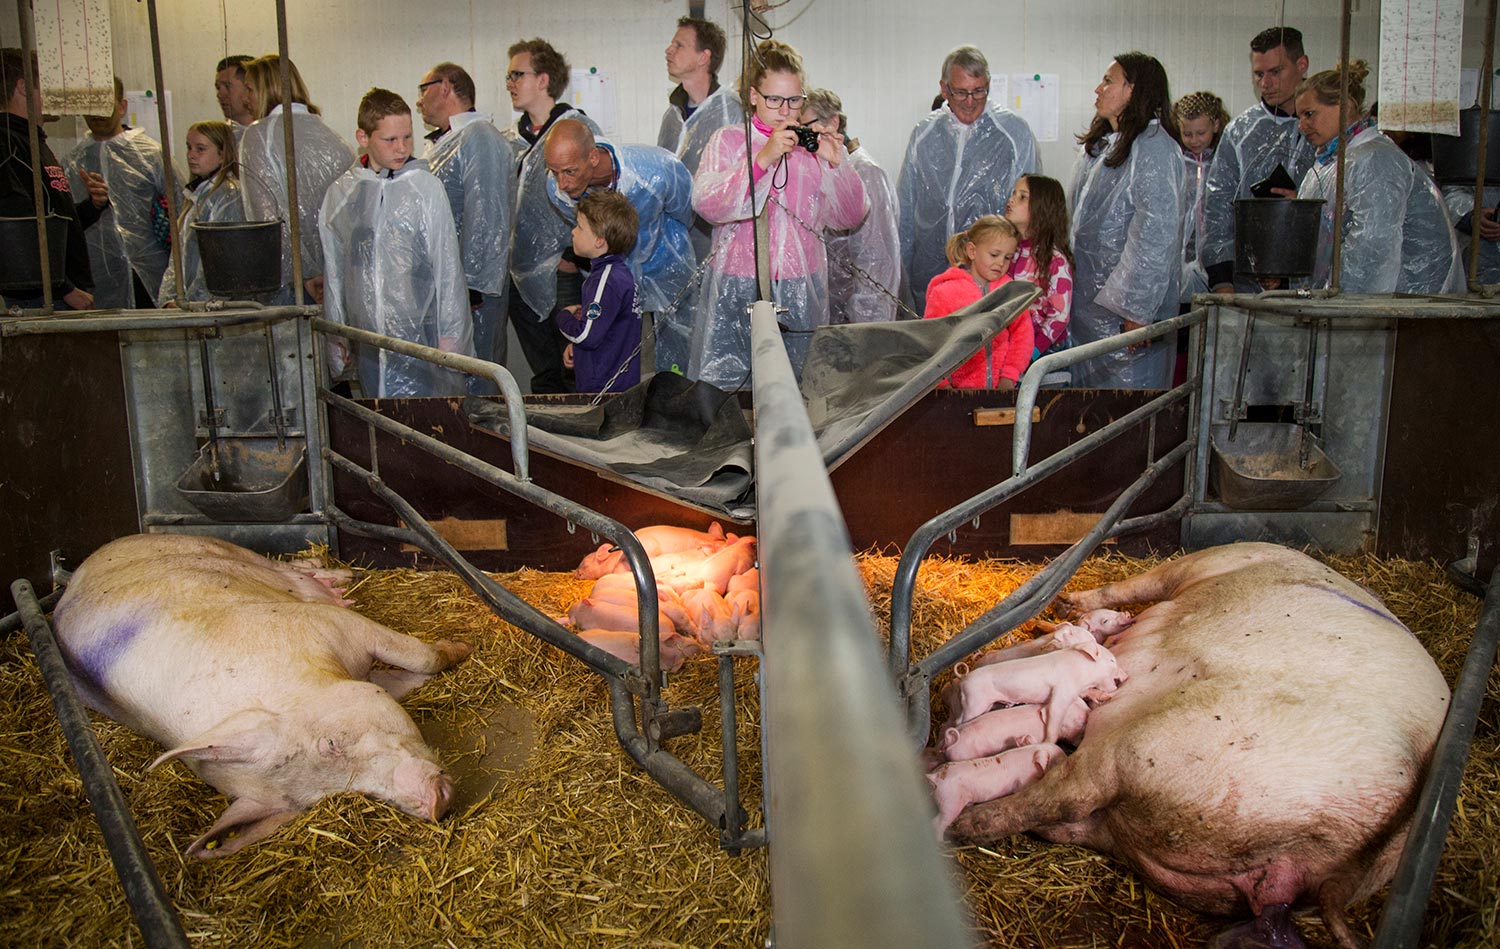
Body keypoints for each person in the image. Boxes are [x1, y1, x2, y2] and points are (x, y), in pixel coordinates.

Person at [690, 39, 868, 386]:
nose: (785, 111)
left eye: (794, 100)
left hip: (801, 284)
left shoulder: (811, 149)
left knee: (798, 384)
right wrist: (762, 160)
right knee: (729, 383)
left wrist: (838, 165)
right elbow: (707, 204)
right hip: (737, 283)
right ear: (753, 95)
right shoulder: (728, 141)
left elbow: (849, 217)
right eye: (774, 99)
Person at [319, 88, 470, 398]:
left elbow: (447, 267)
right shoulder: (343, 193)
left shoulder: (425, 188)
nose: (401, 148)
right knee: (381, 415)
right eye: (390, 140)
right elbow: (334, 271)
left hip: (418, 327)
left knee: (423, 415)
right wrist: (337, 336)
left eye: (407, 137)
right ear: (363, 137)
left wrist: (451, 337)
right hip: (367, 335)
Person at [1293, 62, 1463, 295]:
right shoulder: (1332, 163)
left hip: (1411, 300)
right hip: (1370, 301)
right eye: (1299, 117)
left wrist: (1337, 296)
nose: (1302, 126)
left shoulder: (1374, 159)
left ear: (1345, 106)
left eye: (1309, 114)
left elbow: (1372, 245)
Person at [543, 118, 695, 377]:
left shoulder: (654, 172)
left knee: (677, 357)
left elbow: (685, 213)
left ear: (593, 157)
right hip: (612, 276)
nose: (562, 184)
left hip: (668, 266)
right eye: (554, 172)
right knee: (621, 356)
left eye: (569, 171)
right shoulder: (557, 189)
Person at [1069, 52, 1185, 390]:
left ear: (1134, 90)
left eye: (1108, 81)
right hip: (1090, 310)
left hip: (1125, 320)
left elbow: (1155, 235)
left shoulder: (1153, 148)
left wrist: (1137, 310)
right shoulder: (1103, 146)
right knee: (1086, 412)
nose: (1097, 89)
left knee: (1126, 409)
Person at [897, 45, 1040, 314]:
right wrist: (902, 269)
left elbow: (1031, 209)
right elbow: (906, 206)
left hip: (990, 273)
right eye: (961, 92)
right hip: (929, 268)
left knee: (984, 344)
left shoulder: (1013, 134)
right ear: (944, 88)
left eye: (979, 91)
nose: (970, 100)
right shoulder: (924, 133)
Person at [502, 37, 597, 394]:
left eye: (517, 74)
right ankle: (546, 449)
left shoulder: (577, 131)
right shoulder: (514, 141)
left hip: (564, 275)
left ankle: (578, 448)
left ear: (543, 80)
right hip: (520, 278)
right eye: (508, 76)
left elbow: (598, 200)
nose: (510, 83)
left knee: (573, 367)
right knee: (544, 374)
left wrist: (571, 256)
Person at [417, 61, 517, 395]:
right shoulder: (445, 143)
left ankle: (485, 446)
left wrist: (472, 284)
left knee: (479, 375)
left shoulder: (478, 137)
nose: (418, 101)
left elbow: (488, 217)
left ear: (445, 87)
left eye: (423, 90)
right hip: (449, 286)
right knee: (454, 377)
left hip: (474, 292)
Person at [1201, 27, 1316, 294]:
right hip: (1246, 288)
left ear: (1302, 65)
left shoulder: (1326, 130)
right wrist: (1221, 281)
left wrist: (1303, 208)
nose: (1265, 83)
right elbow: (1218, 206)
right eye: (1258, 74)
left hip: (1311, 286)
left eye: (1275, 72)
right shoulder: (1240, 132)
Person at [240, 54, 355, 305]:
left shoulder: (259, 137)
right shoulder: (334, 139)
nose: (244, 98)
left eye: (249, 89)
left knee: (292, 342)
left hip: (292, 281)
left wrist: (303, 271)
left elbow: (267, 218)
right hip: (337, 275)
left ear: (266, 88)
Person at [64, 76, 174, 308]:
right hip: (96, 283)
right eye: (89, 104)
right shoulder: (72, 163)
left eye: (104, 102)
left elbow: (182, 212)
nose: (97, 112)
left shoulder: (151, 155)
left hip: (151, 276)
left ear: (122, 106)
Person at [1, 46, 97, 310]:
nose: (57, 93)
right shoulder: (7, 142)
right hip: (43, 295)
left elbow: (52, 219)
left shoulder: (32, 141)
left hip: (58, 289)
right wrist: (63, 288)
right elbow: (16, 223)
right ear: (22, 87)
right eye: (49, 84)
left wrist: (92, 207)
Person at [801, 88, 900, 324]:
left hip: (855, 321)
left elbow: (876, 262)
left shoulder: (865, 172)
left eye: (806, 126)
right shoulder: (819, 168)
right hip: (831, 314)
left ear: (834, 121)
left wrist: (866, 330)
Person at [922, 215, 1033, 390]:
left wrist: (1009, 377)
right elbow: (931, 342)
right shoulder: (945, 292)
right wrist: (942, 384)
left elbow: (1023, 337)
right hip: (954, 394)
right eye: (994, 254)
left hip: (1000, 392)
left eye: (1008, 257)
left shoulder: (1011, 293)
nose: (1000, 263)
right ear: (972, 251)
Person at [556, 190, 641, 394]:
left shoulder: (605, 280)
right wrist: (577, 348)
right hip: (616, 381)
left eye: (579, 227)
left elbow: (586, 335)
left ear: (599, 241)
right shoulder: (619, 273)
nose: (573, 232)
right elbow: (603, 329)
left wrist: (563, 316)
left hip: (602, 385)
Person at [159, 120, 245, 303]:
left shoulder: (229, 196)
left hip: (214, 309)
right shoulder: (196, 196)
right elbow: (178, 259)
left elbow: (220, 263)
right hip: (190, 307)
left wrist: (194, 305)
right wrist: (169, 300)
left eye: (200, 149)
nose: (191, 155)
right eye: (189, 148)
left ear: (222, 154)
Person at [1003, 174, 1073, 359]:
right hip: (1013, 347)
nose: (1011, 200)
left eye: (1022, 196)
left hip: (1044, 350)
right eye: (1013, 193)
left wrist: (1032, 352)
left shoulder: (1055, 261)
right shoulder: (1008, 251)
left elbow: (1059, 317)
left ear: (1041, 208)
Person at [1173, 91, 1229, 305]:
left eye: (1201, 133)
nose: (1194, 140)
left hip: (1216, 257)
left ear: (1216, 125)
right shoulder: (1177, 161)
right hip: (1181, 257)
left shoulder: (1223, 160)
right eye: (1187, 134)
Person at [214, 55, 257, 138]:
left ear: (249, 87)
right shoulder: (219, 138)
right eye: (218, 88)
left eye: (227, 86)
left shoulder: (273, 131)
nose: (220, 94)